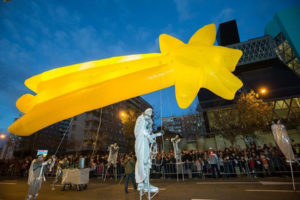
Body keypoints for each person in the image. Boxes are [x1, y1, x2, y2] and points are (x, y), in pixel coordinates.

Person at [134, 108, 163, 193]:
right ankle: (141, 182)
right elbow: (143, 131)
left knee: (146, 162)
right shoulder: (141, 119)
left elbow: (148, 134)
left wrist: (158, 134)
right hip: (141, 143)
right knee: (142, 161)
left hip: (145, 142)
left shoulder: (145, 124)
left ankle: (146, 183)